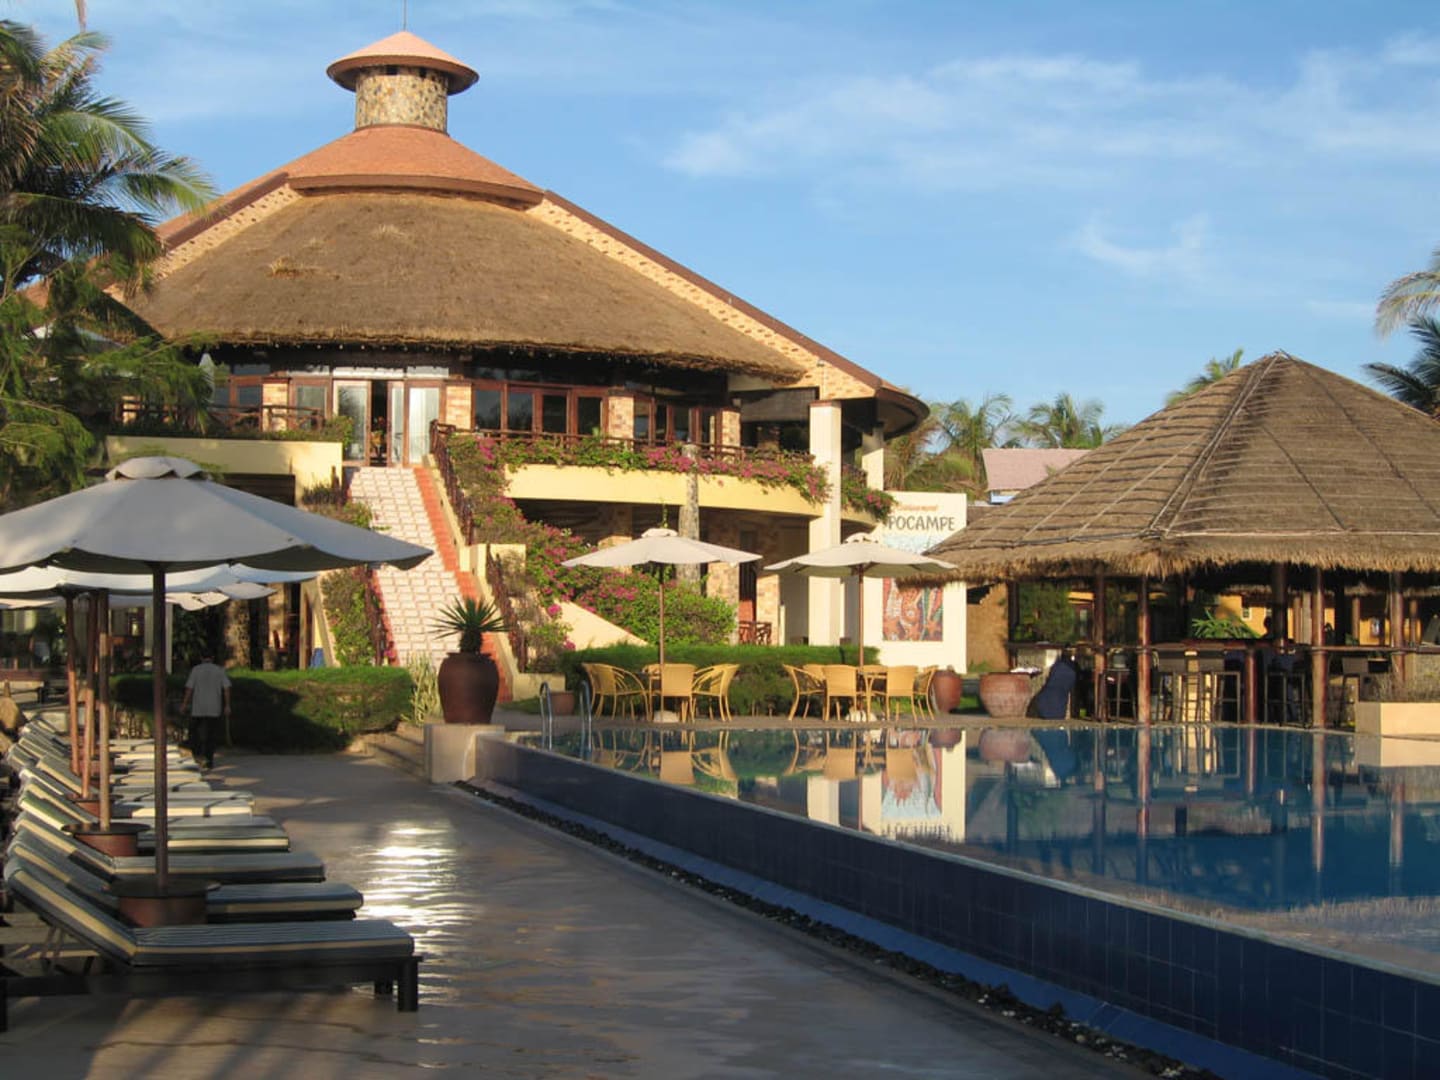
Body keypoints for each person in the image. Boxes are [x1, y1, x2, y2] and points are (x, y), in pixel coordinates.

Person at [181, 652, 231, 769]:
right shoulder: (219, 670)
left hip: (198, 707)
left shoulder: (196, 670)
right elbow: (226, 688)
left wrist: (184, 704)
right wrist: (227, 705)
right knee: (211, 735)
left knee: (193, 731)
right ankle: (209, 759)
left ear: (201, 657)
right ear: (212, 658)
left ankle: (198, 753)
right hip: (214, 707)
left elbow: (189, 688)